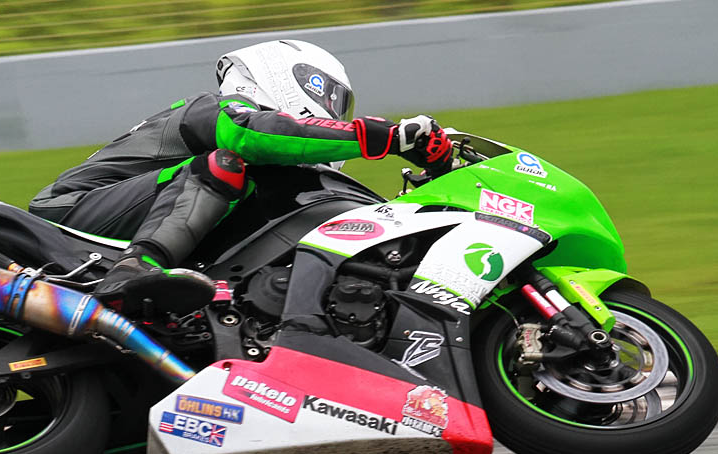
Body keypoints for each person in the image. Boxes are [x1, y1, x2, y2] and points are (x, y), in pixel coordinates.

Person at [29, 39, 454, 316]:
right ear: (288, 76)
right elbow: (252, 135)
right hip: (72, 212)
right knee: (224, 163)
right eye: (329, 96)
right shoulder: (212, 108)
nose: (332, 110)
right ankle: (135, 270)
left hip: (130, 214)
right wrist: (385, 136)